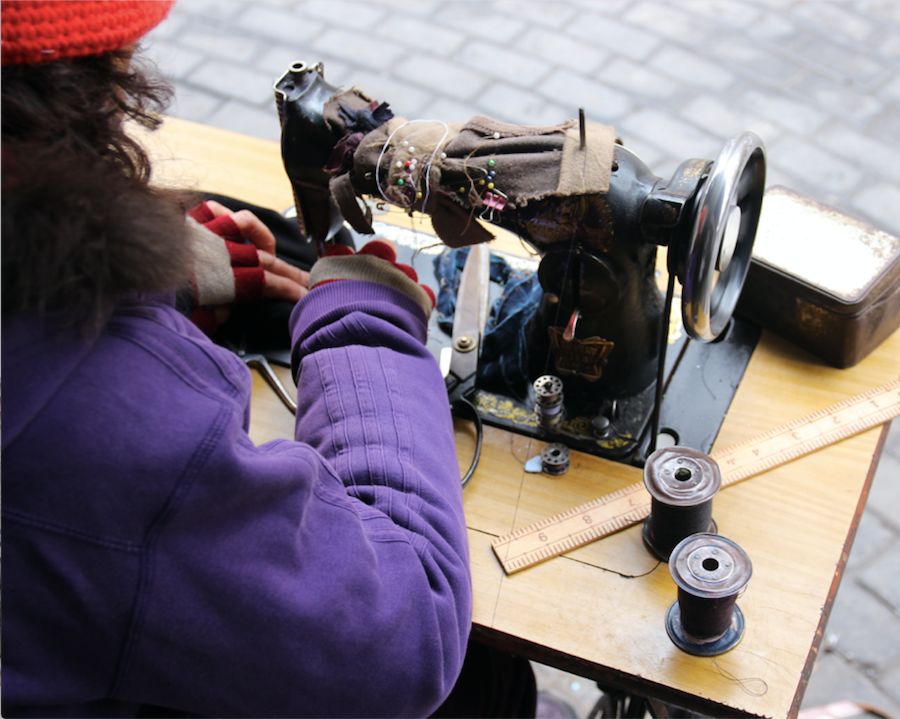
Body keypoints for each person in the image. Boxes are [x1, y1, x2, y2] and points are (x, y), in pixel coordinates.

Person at [0, 1, 519, 715]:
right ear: (86, 82)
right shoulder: (93, 420)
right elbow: (408, 628)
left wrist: (116, 266)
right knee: (486, 681)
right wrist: (366, 324)